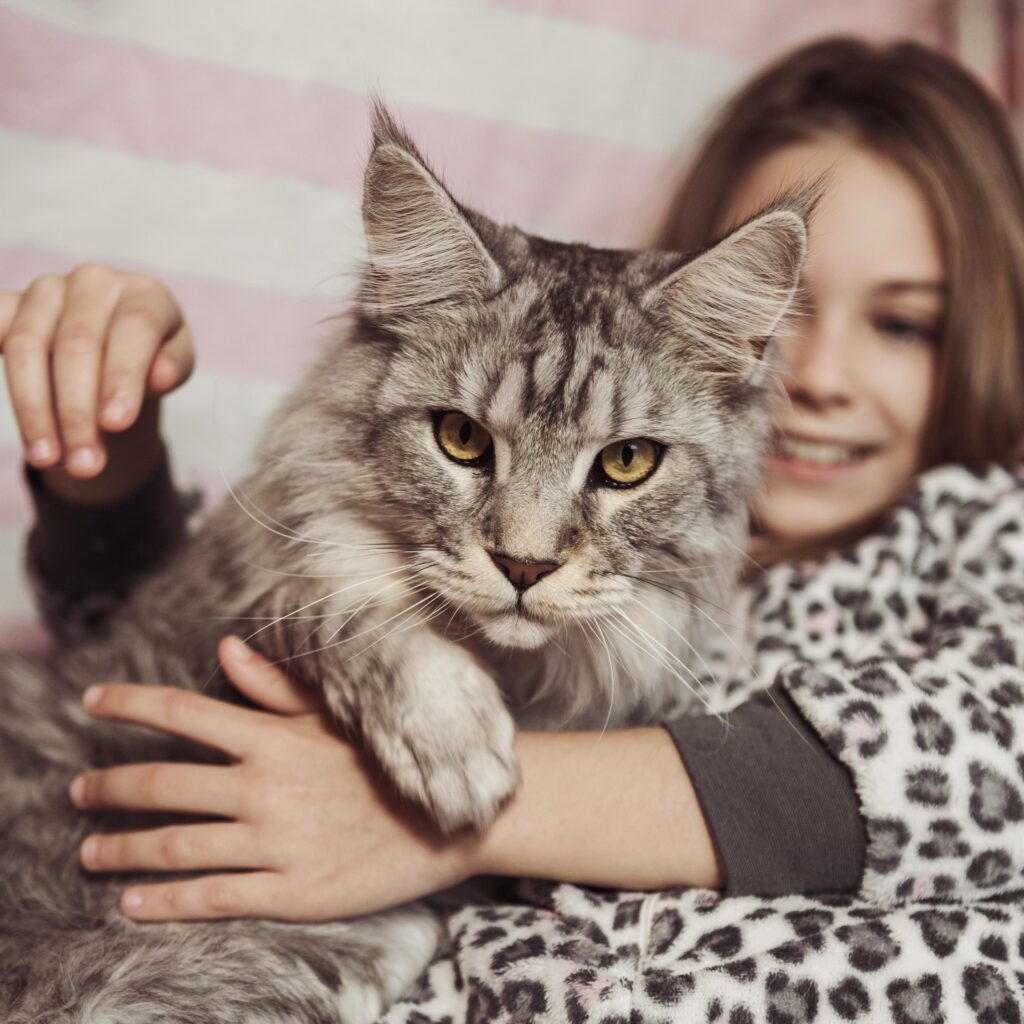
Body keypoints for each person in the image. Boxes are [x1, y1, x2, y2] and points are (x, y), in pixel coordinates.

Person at [4, 35, 1024, 1018]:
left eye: (903, 324)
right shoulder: (440, 573)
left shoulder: (974, 536)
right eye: (465, 438)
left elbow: (977, 763)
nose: (527, 549)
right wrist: (104, 449)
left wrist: (451, 823)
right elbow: (150, 668)